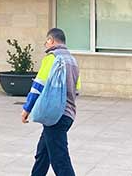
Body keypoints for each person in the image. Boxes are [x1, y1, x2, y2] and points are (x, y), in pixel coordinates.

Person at [21, 28, 80, 176]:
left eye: (46, 41)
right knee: (43, 154)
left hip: (56, 116)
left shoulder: (52, 58)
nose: (46, 45)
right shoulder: (72, 61)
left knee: (60, 160)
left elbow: (38, 86)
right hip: (68, 114)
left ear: (51, 40)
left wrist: (27, 108)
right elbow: (77, 89)